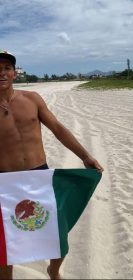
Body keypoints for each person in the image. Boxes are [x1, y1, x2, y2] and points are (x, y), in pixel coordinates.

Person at [0, 50, 104, 279]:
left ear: (15, 73)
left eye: (6, 68)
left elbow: (57, 129)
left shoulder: (32, 99)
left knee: (57, 234)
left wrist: (85, 156)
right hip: (6, 183)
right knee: (6, 245)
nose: (2, 73)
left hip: (39, 177)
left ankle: (53, 271)